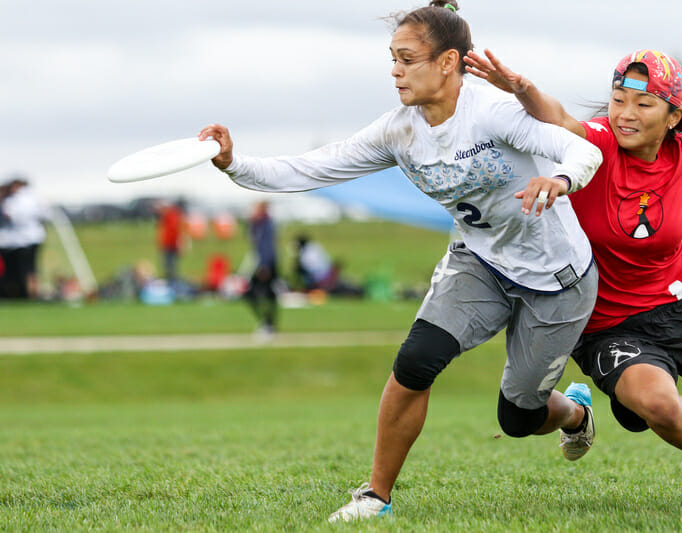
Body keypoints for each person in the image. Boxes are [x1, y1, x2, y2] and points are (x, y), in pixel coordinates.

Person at [200, 1, 603, 522]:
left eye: (407, 59)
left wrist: (560, 180)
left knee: (519, 415)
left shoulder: (493, 112)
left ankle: (574, 413)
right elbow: (311, 169)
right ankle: (375, 496)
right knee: (415, 361)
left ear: (449, 62)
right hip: (479, 262)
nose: (395, 71)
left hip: (557, 277)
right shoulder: (398, 131)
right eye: (392, 59)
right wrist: (235, 163)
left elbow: (581, 150)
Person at [465, 47, 682, 514]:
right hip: (610, 326)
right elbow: (559, 118)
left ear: (672, 115)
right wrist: (520, 89)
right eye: (619, 98)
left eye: (643, 104)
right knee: (657, 405)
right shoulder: (596, 145)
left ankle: (628, 408)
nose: (625, 114)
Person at [245, 201, 279, 339]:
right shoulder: (258, 224)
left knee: (261, 294)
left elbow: (267, 246)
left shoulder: (267, 225)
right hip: (261, 262)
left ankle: (268, 323)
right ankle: (268, 323)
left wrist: (265, 265)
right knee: (268, 294)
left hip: (266, 264)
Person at [157, 198, 186, 286]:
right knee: (170, 264)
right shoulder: (174, 215)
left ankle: (171, 281)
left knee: (169, 264)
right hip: (170, 244)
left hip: (169, 244)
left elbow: (173, 231)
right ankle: (171, 281)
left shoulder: (171, 215)